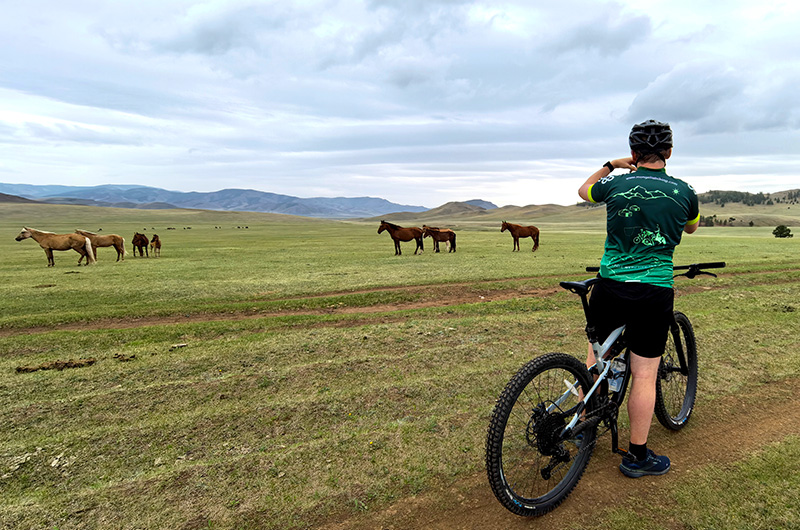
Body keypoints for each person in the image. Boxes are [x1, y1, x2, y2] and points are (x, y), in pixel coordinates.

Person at [577, 119, 700, 478]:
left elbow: (583, 190)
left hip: (611, 285)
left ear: (633, 153)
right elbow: (691, 227)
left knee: (596, 358)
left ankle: (585, 423)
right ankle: (637, 457)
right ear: (670, 152)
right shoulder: (684, 190)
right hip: (653, 290)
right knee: (645, 373)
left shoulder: (615, 183)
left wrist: (611, 166)